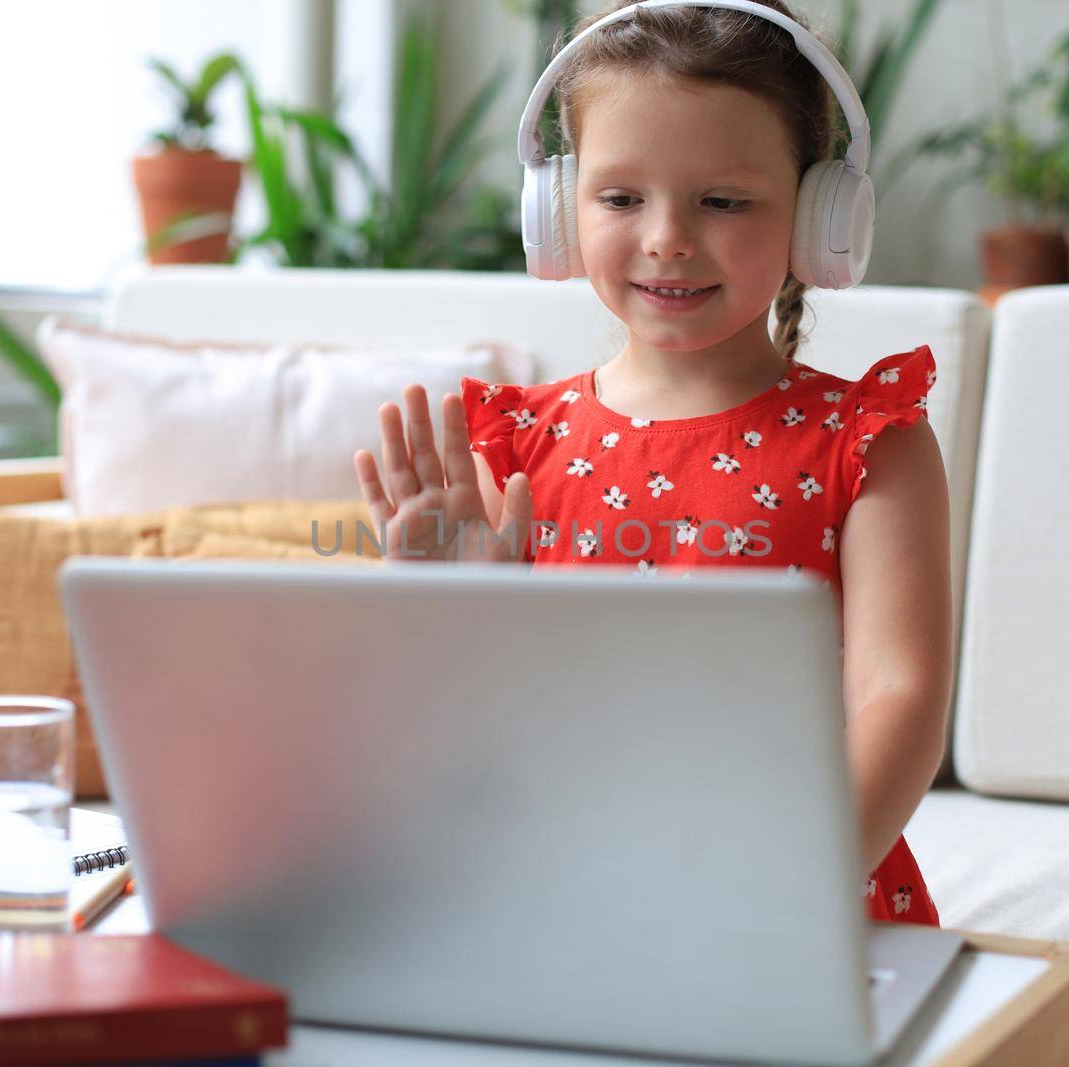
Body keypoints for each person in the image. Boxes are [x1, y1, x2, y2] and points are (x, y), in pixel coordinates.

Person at [353, 0, 948, 927]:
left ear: (820, 213)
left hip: (796, 893)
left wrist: (794, 884)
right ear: (558, 209)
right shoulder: (515, 446)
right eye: (621, 198)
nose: (667, 236)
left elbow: (898, 694)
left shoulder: (871, 439)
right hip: (563, 891)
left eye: (723, 200)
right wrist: (455, 612)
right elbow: (472, 741)